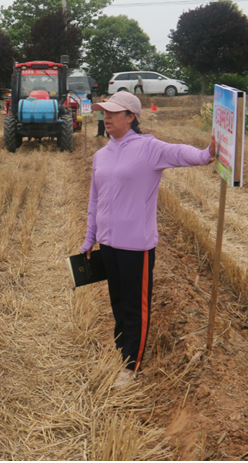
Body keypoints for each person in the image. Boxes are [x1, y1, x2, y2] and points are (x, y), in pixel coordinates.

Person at [81, 92, 216, 389]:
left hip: (135, 245)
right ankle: (122, 352)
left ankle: (131, 366)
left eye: (113, 113)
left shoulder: (149, 148)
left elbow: (180, 153)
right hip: (108, 243)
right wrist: (90, 237)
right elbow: (95, 199)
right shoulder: (100, 155)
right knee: (117, 303)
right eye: (104, 112)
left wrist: (206, 154)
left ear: (131, 117)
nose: (106, 117)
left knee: (134, 306)